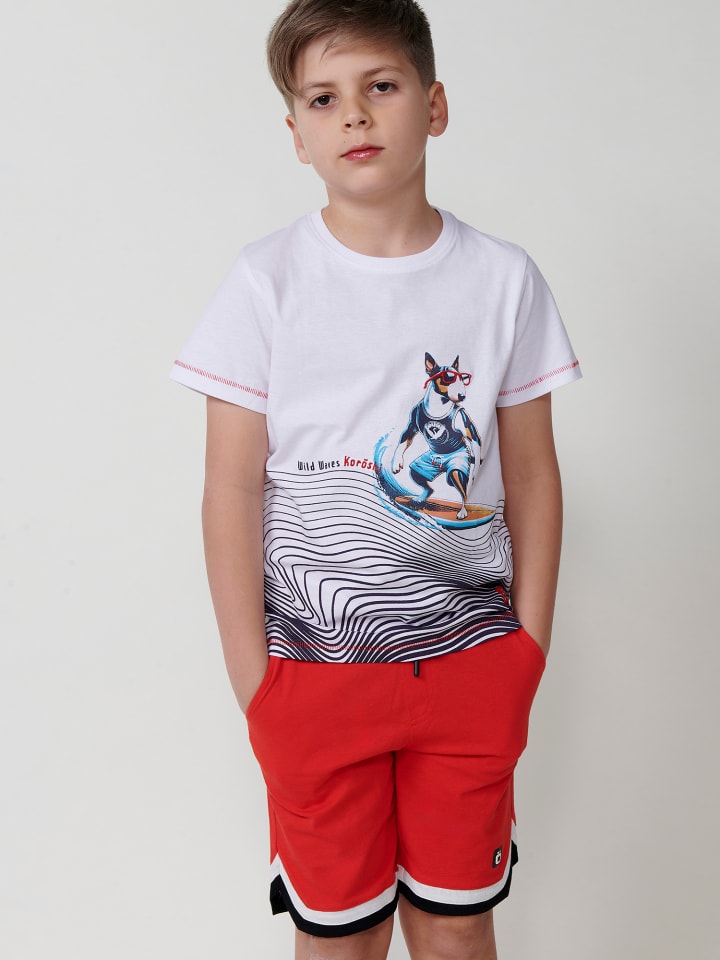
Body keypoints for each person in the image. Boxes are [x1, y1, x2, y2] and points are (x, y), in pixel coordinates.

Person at [171, 2, 581, 957]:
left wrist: (527, 648)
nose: (354, 114)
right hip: (312, 677)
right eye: (323, 98)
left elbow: (532, 473)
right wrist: (254, 681)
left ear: (434, 106)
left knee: (455, 929)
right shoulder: (264, 282)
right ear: (296, 133)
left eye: (381, 86)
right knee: (340, 939)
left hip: (472, 666)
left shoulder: (503, 279)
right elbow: (230, 489)